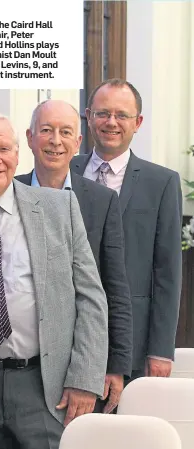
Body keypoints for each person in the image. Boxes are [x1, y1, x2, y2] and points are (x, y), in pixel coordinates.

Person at [0, 109, 108, 449]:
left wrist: (84, 377)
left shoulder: (58, 206)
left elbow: (91, 298)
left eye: (4, 149)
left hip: (43, 385)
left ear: (18, 153)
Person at [16, 99, 132, 413]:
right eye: (46, 131)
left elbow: (114, 288)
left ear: (78, 142)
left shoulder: (100, 201)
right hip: (20, 367)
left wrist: (113, 365)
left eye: (65, 132)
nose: (56, 140)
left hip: (79, 362)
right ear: (29, 138)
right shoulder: (10, 195)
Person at [71, 78, 183, 380]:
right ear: (88, 116)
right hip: (67, 338)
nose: (111, 122)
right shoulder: (63, 172)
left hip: (133, 342)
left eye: (122, 115)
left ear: (138, 122)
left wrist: (160, 350)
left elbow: (167, 272)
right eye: (103, 113)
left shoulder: (161, 183)